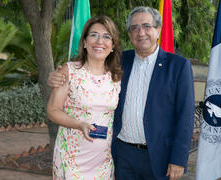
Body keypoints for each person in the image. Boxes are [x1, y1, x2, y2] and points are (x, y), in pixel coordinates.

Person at [48, 6, 195, 180]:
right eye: (134, 28)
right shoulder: (119, 63)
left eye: (147, 26)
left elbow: (185, 116)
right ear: (129, 34)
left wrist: (178, 159)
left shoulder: (177, 66)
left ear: (158, 30)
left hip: (158, 157)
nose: (141, 32)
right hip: (121, 155)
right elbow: (85, 74)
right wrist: (55, 77)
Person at [47, 16, 122, 180]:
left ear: (113, 46)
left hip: (103, 161)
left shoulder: (116, 76)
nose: (99, 41)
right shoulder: (69, 71)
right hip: (72, 159)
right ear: (85, 42)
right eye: (94, 35)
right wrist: (79, 124)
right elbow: (53, 111)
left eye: (106, 36)